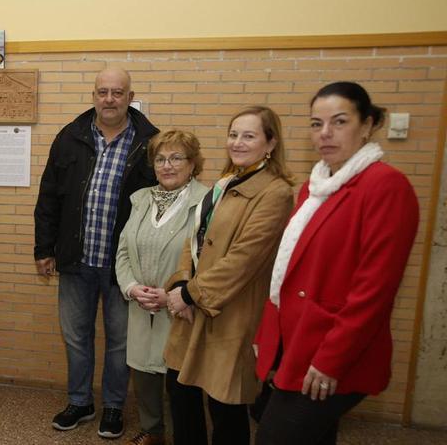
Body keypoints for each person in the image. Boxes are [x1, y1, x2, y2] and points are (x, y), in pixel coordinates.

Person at [254, 82, 419, 445]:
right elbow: (289, 271)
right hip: (297, 342)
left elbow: (374, 290)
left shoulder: (386, 186)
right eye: (316, 124)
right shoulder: (315, 187)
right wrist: (268, 335)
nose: (325, 134)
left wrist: (331, 360)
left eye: (339, 122)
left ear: (368, 124)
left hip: (333, 351)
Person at [34, 67, 159, 439]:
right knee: (76, 336)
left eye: (117, 92)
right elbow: (48, 197)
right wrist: (44, 248)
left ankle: (115, 407)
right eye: (103, 91)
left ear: (129, 96)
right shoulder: (70, 137)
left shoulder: (149, 141)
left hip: (125, 268)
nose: (109, 99)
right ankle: (80, 401)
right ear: (93, 95)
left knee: (121, 340)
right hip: (76, 259)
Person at [163, 106, 295, 445]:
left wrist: (190, 294)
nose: (237, 142)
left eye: (249, 136)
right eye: (233, 134)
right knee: (180, 394)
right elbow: (195, 239)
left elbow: (245, 259)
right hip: (193, 309)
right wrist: (180, 283)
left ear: (271, 143)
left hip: (230, 315)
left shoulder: (276, 192)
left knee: (225, 406)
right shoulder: (223, 184)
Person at [115, 130, 209, 445]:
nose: (167, 165)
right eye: (160, 159)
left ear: (193, 163)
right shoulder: (140, 199)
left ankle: (186, 435)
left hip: (182, 304)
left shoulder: (206, 201)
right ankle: (152, 431)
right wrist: (131, 288)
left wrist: (173, 293)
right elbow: (124, 250)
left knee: (179, 377)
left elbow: (208, 259)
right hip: (141, 302)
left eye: (176, 158)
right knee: (143, 371)